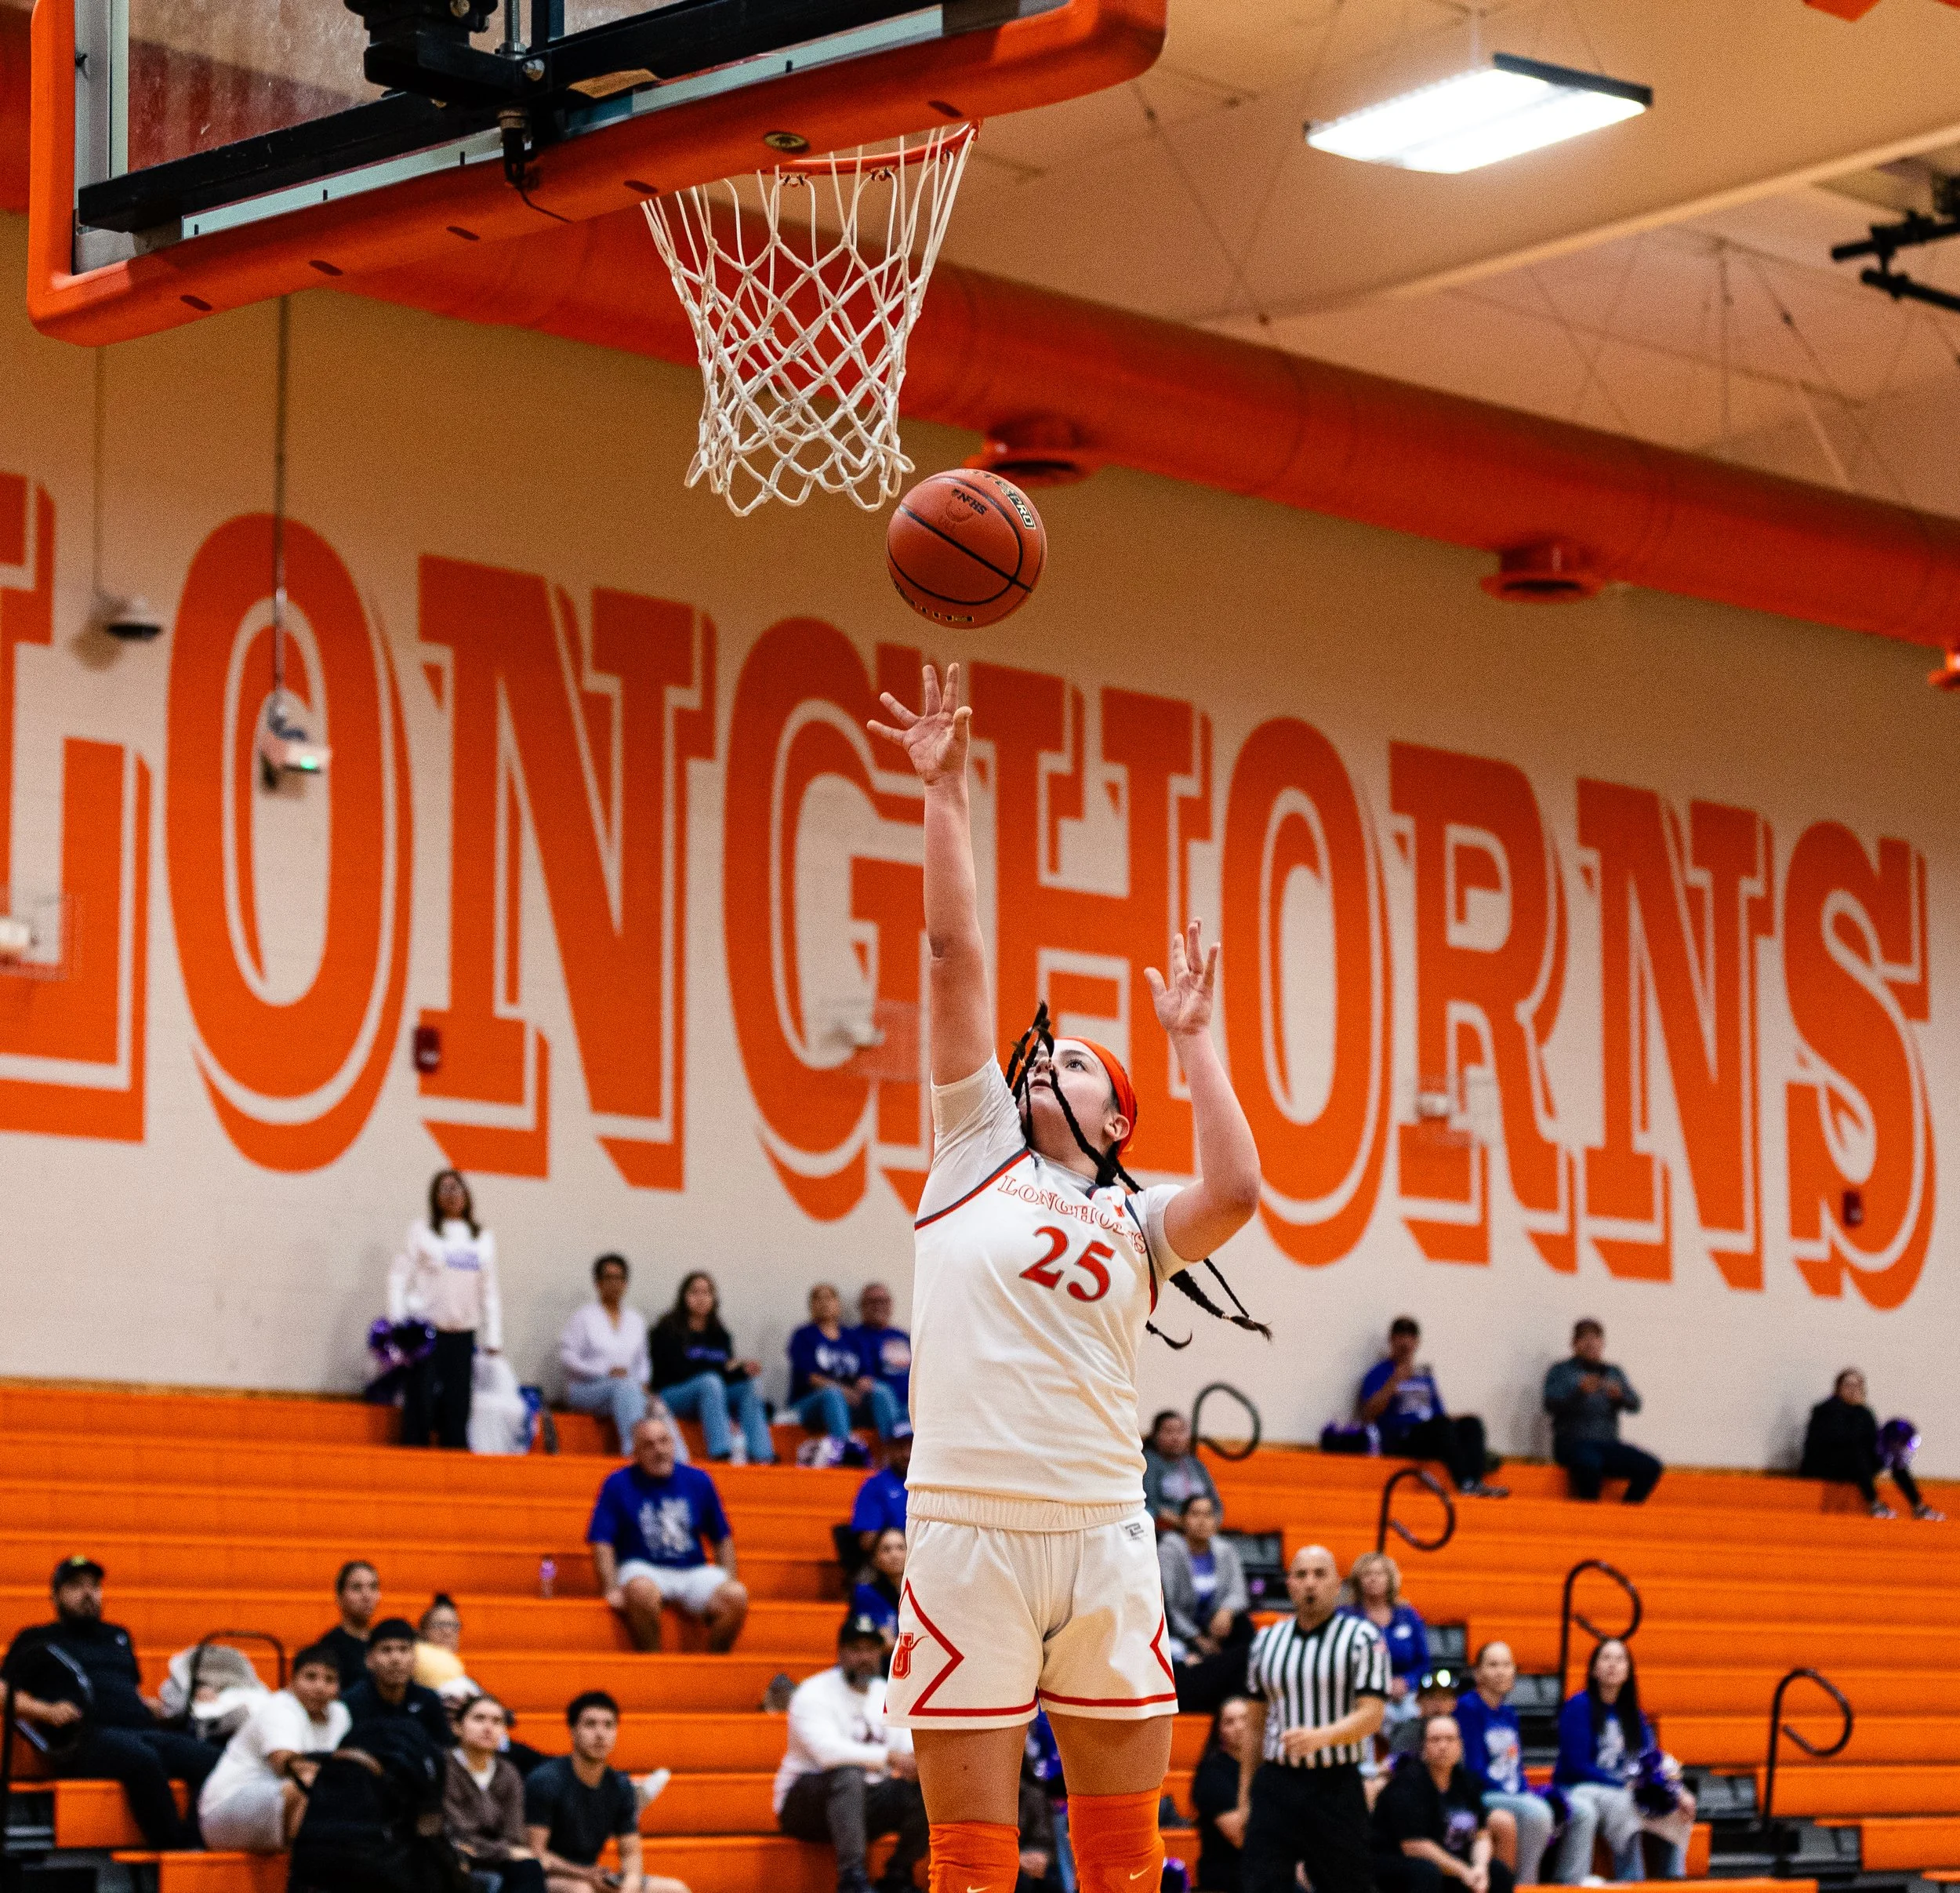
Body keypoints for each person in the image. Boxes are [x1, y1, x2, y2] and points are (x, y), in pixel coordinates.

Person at [869, 664, 1265, 1893]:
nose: (1052, 1060)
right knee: (973, 1865)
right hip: (965, 1525)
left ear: (1117, 1112)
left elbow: (1240, 1192)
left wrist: (1196, 1043)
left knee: (1120, 1863)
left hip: (1101, 1530)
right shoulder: (972, 1144)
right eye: (1050, 1053)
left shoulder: (1143, 1217)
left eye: (1082, 1061)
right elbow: (951, 955)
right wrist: (946, 794)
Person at [0, 1556, 220, 1850]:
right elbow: (3, 1690)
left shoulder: (117, 1635)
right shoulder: (37, 1639)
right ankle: (174, 1847)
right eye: (76, 1586)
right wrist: (44, 1711)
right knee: (142, 1759)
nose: (89, 1593)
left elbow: (126, 1690)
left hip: (139, 1730)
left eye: (95, 1586)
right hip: (81, 1741)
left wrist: (167, 1706)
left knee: (214, 1759)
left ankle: (198, 1841)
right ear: (55, 1596)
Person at [1237, 1545, 1389, 1893]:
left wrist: (1324, 1737)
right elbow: (1255, 1724)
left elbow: (1372, 1716)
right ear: (1289, 1584)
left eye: (1320, 1574)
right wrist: (1245, 1798)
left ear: (1338, 1584)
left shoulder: (1362, 1638)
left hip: (1335, 1786)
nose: (1310, 1583)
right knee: (1259, 1884)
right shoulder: (1266, 1642)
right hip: (1276, 1783)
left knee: (1350, 1885)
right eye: (1301, 1575)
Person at [777, 1615, 927, 1893]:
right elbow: (827, 1754)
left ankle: (898, 1873)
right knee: (848, 1774)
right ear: (840, 1653)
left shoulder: (887, 1693)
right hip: (805, 1803)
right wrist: (890, 1757)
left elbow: (908, 1748)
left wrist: (920, 1765)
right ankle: (853, 1879)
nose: (864, 1657)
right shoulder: (813, 1692)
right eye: (855, 1649)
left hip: (866, 1802)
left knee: (929, 1786)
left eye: (870, 1650)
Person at [587, 1415, 749, 1652]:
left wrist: (730, 1579)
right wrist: (610, 1589)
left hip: (691, 1570)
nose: (659, 1450)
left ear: (674, 1444)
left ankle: (712, 1666)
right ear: (636, 1453)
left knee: (737, 1595)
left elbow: (722, 1537)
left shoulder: (699, 1481)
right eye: (649, 1445)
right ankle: (654, 1663)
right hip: (642, 1568)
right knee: (640, 1590)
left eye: (664, 1442)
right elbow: (602, 1541)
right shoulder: (617, 1484)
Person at [1552, 1638, 1693, 1882]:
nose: (1612, 1665)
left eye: (1620, 1659)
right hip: (1579, 1787)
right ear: (1594, 1669)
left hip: (1621, 1789)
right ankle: (1632, 1880)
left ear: (1628, 1670)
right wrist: (1623, 1786)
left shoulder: (1634, 1715)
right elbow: (1577, 1766)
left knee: (1676, 1806)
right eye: (1605, 1658)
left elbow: (1651, 1761)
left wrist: (1676, 1790)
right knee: (1625, 1804)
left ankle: (1673, 1878)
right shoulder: (1578, 1706)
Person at [524, 1691, 691, 1893]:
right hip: (549, 1878)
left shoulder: (620, 1785)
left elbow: (630, 1854)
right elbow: (536, 1854)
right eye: (590, 1724)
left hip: (594, 1876)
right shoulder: (546, 1780)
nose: (600, 1734)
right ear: (572, 1730)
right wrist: (584, 1874)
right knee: (582, 1891)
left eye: (608, 1725)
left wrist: (629, 1887)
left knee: (674, 1889)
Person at [198, 1641, 350, 1853]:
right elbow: (286, 1766)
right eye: (310, 1677)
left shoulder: (340, 1715)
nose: (320, 1686)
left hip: (274, 1805)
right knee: (308, 1785)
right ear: (291, 1681)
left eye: (330, 1679)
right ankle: (304, 1878)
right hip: (223, 1812)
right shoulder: (279, 1708)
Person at [391, 1168, 502, 1449]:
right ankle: (413, 1457)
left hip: (463, 1333)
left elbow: (489, 1290)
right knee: (421, 1401)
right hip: (427, 1332)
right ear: (435, 1197)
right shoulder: (422, 1231)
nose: (452, 1195)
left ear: (467, 1195)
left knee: (458, 1404)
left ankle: (454, 1464)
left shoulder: (482, 1238)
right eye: (445, 1189)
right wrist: (398, 1322)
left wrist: (494, 1337)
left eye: (458, 1188)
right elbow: (399, 1275)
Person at [1358, 1318, 1506, 1498]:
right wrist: (1394, 1381)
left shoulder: (1423, 1376)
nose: (1405, 1341)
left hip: (1431, 1432)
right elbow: (1368, 1414)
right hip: (1402, 1437)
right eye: (1400, 1336)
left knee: (1471, 1423)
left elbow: (1439, 1414)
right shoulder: (1378, 1373)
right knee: (1440, 1427)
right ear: (1392, 1340)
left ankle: (1475, 1482)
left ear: (1417, 1342)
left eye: (1410, 1336)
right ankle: (1464, 1482)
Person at [1371, 1713, 1515, 1893]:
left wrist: (1480, 1868)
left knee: (1498, 1872)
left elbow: (1481, 1835)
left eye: (1450, 1739)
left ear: (1460, 1745)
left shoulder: (1466, 1781)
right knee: (1426, 1872)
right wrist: (1463, 1871)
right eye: (1435, 1740)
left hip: (1447, 1860)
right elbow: (1414, 1846)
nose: (1443, 1746)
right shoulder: (1407, 1784)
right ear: (1424, 1747)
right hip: (1395, 1861)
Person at [649, 1270, 776, 1465]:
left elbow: (726, 1373)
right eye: (695, 1292)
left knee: (749, 1387)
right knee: (710, 1381)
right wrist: (722, 1369)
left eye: (707, 1292)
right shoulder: (667, 1329)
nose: (701, 1298)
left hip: (711, 1396)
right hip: (673, 1395)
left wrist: (743, 1370)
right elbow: (677, 1370)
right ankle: (721, 1452)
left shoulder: (719, 1334)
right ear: (684, 1296)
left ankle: (763, 1456)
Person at [1452, 1642, 1551, 1885]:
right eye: (1493, 1665)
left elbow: (1516, 1766)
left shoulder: (1509, 1713)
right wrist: (1517, 1794)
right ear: (1478, 1673)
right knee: (1537, 1812)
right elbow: (1473, 1768)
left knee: (1552, 1809)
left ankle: (1532, 1881)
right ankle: (1521, 1884)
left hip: (1510, 1792)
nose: (1501, 1671)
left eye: (1507, 1665)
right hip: (1481, 1793)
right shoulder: (1468, 1707)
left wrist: (1523, 1790)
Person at [1543, 1321, 1661, 1504]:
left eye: (1595, 1338)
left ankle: (1625, 1515)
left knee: (1650, 1466)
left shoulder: (1613, 1372)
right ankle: (1591, 1516)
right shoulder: (1561, 1371)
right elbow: (1550, 1405)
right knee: (1589, 1463)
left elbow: (1635, 1405)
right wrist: (1579, 1393)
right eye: (1584, 1338)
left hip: (1607, 1445)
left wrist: (1620, 1397)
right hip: (1573, 1443)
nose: (1590, 1343)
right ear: (1574, 1344)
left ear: (1602, 1342)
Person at [1800, 1369, 1943, 1520]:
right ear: (1838, 1388)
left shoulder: (1865, 1413)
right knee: (1857, 1452)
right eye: (1848, 1385)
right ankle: (1874, 1504)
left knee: (1894, 1455)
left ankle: (1918, 1506)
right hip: (1829, 1464)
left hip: (1856, 1465)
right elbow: (1836, 1440)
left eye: (1857, 1386)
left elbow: (1874, 1441)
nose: (1853, 1390)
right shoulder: (1825, 1410)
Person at [446, 1693, 546, 1893]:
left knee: (529, 1868)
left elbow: (514, 1836)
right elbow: (455, 1835)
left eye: (497, 1721)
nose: (488, 1728)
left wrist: (505, 1851)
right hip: (452, 1857)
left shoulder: (508, 1773)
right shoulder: (444, 1769)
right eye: (479, 1719)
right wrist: (504, 1851)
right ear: (457, 1727)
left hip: (496, 1858)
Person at [559, 1253, 654, 1458]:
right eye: (609, 1278)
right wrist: (604, 1372)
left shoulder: (635, 1320)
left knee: (656, 1405)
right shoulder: (583, 1317)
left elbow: (643, 1360)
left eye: (619, 1278)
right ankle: (635, 1454)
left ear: (626, 1283)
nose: (615, 1284)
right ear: (598, 1283)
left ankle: (681, 1463)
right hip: (586, 1389)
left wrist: (643, 1381)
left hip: (624, 1390)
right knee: (627, 1388)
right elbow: (567, 1356)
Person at [789, 1284, 902, 1441]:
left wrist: (863, 1384)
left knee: (880, 1390)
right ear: (811, 1306)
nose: (824, 1302)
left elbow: (866, 1374)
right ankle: (845, 1451)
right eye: (818, 1298)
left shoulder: (852, 1337)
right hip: (812, 1403)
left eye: (829, 1297)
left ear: (838, 1304)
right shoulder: (803, 1335)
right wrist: (844, 1391)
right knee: (833, 1394)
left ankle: (894, 1450)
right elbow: (811, 1378)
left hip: (850, 1402)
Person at [1341, 1552, 1430, 1731]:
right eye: (1367, 1574)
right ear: (1357, 1580)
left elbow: (1424, 1661)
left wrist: (1407, 1682)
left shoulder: (1407, 1614)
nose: (1373, 1579)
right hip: (1360, 1696)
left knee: (1415, 1717)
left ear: (1390, 1579)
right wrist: (1378, 1685)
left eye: (1379, 1574)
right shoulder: (1345, 1617)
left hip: (1404, 1698)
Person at [343, 1618, 456, 1751]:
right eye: (386, 1650)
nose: (396, 1659)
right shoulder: (351, 1702)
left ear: (415, 1659)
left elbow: (445, 1751)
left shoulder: (429, 1700)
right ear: (369, 1660)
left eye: (403, 1650)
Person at [1161, 1495, 1249, 1662]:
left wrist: (1226, 1611)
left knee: (1243, 1625)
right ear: (1182, 1520)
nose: (1202, 1521)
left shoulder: (1225, 1549)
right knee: (1180, 1654)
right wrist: (1197, 1638)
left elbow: (1239, 1592)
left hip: (1216, 1630)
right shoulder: (1169, 1550)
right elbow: (1168, 1607)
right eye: (1195, 1514)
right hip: (1180, 1633)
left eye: (1208, 1515)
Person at [1189, 1696, 1253, 1893]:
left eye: (1244, 1718)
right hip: (1228, 1877)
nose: (1239, 1727)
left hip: (1266, 1870)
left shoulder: (1270, 1767)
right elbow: (1240, 1837)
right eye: (1230, 1722)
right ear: (1219, 1731)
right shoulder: (1212, 1775)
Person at [1144, 1411, 1221, 1533]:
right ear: (1155, 1435)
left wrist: (1209, 1525)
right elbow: (1150, 1502)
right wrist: (1183, 1524)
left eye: (1181, 1431)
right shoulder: (1148, 1462)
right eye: (1169, 1432)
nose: (1176, 1437)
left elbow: (1215, 1503)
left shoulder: (1195, 1464)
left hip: (1201, 1532)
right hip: (1164, 1532)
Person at [317, 1559, 381, 1691]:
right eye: (356, 1588)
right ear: (339, 1597)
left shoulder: (386, 1641)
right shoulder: (329, 1646)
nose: (366, 1595)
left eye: (373, 1587)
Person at [850, 1424, 913, 1554]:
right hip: (886, 1557)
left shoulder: (932, 1486)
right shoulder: (875, 1485)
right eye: (900, 1447)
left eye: (911, 1447)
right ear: (889, 1449)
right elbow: (867, 1541)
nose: (907, 1454)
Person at [853, 1282, 913, 1411]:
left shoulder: (902, 1336)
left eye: (883, 1301)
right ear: (861, 1306)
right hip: (882, 1402)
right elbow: (863, 1377)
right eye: (873, 1302)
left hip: (912, 1403)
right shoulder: (854, 1336)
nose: (878, 1306)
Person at [851, 1529, 908, 1645]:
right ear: (875, 1558)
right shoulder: (865, 1594)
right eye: (886, 1549)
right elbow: (883, 1642)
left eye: (901, 1548)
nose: (894, 1555)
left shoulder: (921, 1593)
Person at [415, 1594, 469, 1691]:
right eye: (439, 1625)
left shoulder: (454, 1665)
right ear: (422, 1631)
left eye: (453, 1625)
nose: (447, 1632)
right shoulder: (416, 1656)